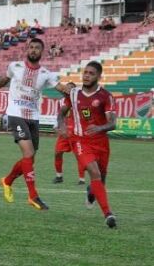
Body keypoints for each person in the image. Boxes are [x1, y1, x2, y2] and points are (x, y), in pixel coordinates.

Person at [0, 38, 70, 211]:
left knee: (30, 158)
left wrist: (78, 91)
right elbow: (3, 80)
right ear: (27, 50)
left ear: (42, 52)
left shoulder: (46, 74)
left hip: (33, 117)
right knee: (28, 152)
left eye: (37, 48)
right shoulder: (15, 67)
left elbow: (61, 87)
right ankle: (33, 196)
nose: (34, 50)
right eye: (31, 47)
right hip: (15, 114)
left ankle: (7, 181)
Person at [57, 61, 117, 228]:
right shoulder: (73, 94)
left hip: (101, 142)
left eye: (91, 73)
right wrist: (61, 126)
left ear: (98, 76)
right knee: (95, 173)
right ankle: (108, 214)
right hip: (80, 141)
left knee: (100, 180)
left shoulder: (105, 96)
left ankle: (91, 192)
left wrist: (99, 127)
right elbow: (61, 114)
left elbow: (113, 123)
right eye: (85, 72)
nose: (86, 75)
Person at [53, 87, 86, 185]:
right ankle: (59, 176)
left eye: (71, 88)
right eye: (67, 88)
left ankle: (82, 179)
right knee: (57, 153)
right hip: (64, 132)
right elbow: (59, 115)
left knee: (79, 155)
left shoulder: (80, 101)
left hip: (76, 132)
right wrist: (57, 126)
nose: (67, 90)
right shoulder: (61, 101)